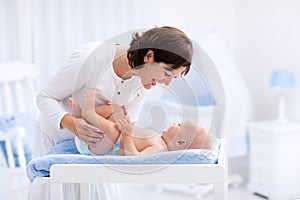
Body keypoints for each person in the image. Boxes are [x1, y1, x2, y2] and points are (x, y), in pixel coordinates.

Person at [30, 26, 193, 200]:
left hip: (96, 147)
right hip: (58, 135)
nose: (166, 83)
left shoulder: (142, 82)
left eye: (173, 77)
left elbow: (125, 128)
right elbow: (44, 97)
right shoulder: (91, 59)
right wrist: (73, 123)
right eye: (167, 73)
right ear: (149, 56)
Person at [72, 93, 211, 156]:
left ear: (180, 143)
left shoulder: (160, 149)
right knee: (116, 111)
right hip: (106, 138)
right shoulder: (159, 139)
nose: (175, 123)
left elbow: (135, 159)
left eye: (179, 125)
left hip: (105, 147)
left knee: (113, 131)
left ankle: (89, 114)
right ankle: (81, 116)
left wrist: (126, 134)